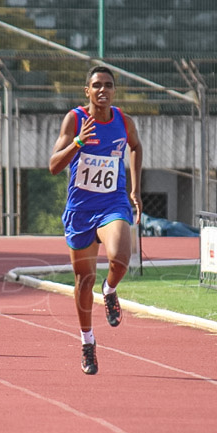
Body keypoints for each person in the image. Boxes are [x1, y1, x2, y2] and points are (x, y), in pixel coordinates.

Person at [48, 65, 143, 374]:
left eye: (108, 85)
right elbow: (53, 166)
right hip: (80, 209)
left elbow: (136, 147)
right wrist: (77, 142)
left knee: (120, 257)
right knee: (82, 281)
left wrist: (135, 189)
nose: (103, 90)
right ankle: (87, 342)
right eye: (97, 85)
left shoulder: (123, 122)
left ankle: (111, 289)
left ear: (114, 91)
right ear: (87, 91)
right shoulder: (74, 120)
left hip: (112, 202)